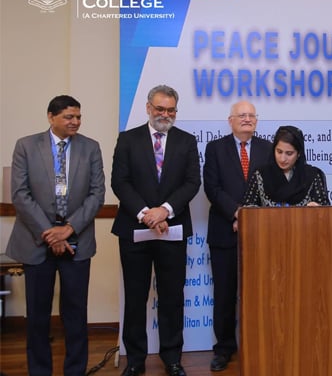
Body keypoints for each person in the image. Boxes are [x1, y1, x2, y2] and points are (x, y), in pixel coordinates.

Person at [7, 95, 105, 376]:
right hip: (36, 242)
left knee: (75, 314)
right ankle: (40, 371)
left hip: (78, 242)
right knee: (37, 316)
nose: (75, 122)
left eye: (78, 116)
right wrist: (51, 234)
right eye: (68, 117)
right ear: (51, 117)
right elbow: (20, 194)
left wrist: (68, 229)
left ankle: (75, 371)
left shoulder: (90, 148)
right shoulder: (26, 146)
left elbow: (97, 194)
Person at [111, 85, 201, 376]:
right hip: (134, 231)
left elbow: (191, 182)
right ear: (148, 108)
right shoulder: (128, 139)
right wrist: (147, 214)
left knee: (172, 297)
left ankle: (172, 359)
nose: (165, 114)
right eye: (160, 109)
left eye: (171, 109)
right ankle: (135, 360)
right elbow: (120, 182)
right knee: (136, 298)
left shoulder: (186, 141)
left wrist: (165, 210)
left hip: (172, 231)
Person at [203, 101, 272, 371]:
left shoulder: (269, 149)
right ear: (230, 120)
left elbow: (273, 187)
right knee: (224, 294)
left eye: (251, 116)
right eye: (241, 115)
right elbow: (212, 186)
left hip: (261, 233)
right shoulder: (215, 148)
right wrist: (236, 213)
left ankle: (259, 343)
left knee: (261, 293)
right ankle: (224, 349)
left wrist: (250, 215)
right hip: (224, 232)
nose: (247, 119)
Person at [242, 125, 329, 207]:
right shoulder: (261, 174)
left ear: (298, 154)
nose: (283, 159)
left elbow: (326, 213)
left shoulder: (312, 176)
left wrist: (317, 210)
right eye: (279, 152)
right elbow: (248, 211)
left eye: (289, 153)